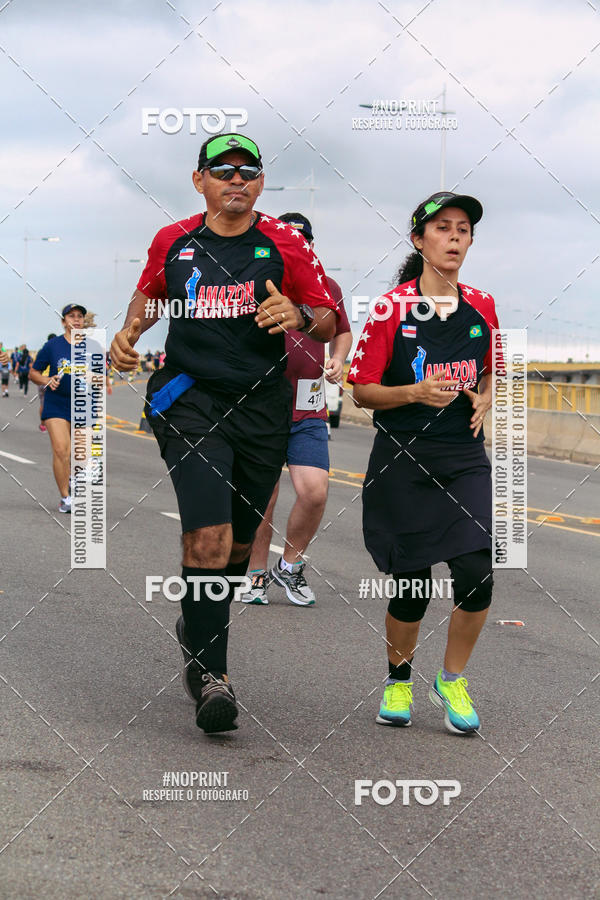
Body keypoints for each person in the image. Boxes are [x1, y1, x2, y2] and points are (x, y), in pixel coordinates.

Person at [110, 132, 338, 735]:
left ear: (260, 183)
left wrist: (298, 315)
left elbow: (328, 316)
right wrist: (130, 331)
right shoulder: (174, 240)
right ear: (200, 180)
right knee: (207, 538)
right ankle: (216, 675)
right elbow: (150, 293)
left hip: (263, 408)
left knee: (237, 548)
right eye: (223, 170)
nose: (236, 179)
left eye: (248, 171)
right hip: (190, 399)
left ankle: (197, 627)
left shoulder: (286, 245)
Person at [348, 191, 500, 735]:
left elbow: (490, 368)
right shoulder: (390, 309)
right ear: (419, 240)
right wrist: (412, 392)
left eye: (464, 229)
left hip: (462, 456)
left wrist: (485, 394)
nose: (456, 237)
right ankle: (398, 676)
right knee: (410, 584)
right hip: (403, 458)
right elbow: (360, 390)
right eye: (444, 228)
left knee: (477, 573)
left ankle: (452, 678)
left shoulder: (483, 304)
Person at [241, 212, 352, 606]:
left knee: (315, 492)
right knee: (263, 498)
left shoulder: (327, 286)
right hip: (262, 407)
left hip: (308, 408)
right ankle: (255, 575)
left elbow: (341, 331)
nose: (297, 246)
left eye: (303, 240)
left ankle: (289, 567)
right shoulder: (257, 283)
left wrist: (339, 359)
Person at [30, 305, 87, 512]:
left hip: (81, 404)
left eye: (80, 316)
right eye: (71, 316)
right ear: (64, 322)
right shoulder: (52, 346)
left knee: (79, 454)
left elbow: (100, 373)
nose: (76, 320)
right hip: (56, 403)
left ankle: (71, 477)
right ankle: (65, 497)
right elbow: (33, 372)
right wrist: (46, 379)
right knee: (61, 449)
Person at [36, 333, 57, 432]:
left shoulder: (42, 351)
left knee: (43, 403)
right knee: (55, 403)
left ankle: (43, 425)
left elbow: (36, 367)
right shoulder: (57, 351)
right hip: (53, 379)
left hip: (42, 380)